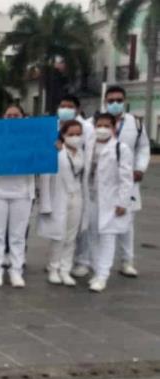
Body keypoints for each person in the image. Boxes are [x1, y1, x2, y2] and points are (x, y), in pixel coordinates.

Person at [79, 87, 148, 279]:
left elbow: (143, 148)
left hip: (126, 183)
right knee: (92, 227)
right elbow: (73, 135)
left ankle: (127, 261)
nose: (115, 103)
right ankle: (88, 262)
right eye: (111, 100)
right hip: (96, 187)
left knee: (125, 223)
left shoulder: (135, 123)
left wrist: (140, 168)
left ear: (124, 100)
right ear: (105, 101)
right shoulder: (90, 124)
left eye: (118, 100)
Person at [82, 113, 135, 292]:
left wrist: (123, 202)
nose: (102, 129)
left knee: (108, 237)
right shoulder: (89, 145)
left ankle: (103, 275)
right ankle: (97, 270)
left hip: (111, 200)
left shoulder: (121, 148)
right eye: (99, 125)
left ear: (114, 128)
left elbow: (126, 178)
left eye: (106, 125)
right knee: (92, 235)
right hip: (91, 197)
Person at [0, 104, 33, 288]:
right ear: (3, 117)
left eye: (16, 115)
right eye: (9, 115)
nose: (12, 118)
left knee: (18, 235)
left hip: (22, 192)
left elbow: (42, 156)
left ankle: (16, 271)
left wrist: (51, 147)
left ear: (23, 117)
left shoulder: (32, 138)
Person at [36, 120, 87, 287]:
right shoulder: (55, 152)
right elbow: (45, 178)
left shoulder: (82, 153)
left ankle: (65, 269)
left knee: (71, 236)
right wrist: (45, 203)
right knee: (58, 236)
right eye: (71, 134)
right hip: (59, 197)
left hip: (76, 197)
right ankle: (53, 268)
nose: (75, 137)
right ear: (63, 135)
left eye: (78, 134)